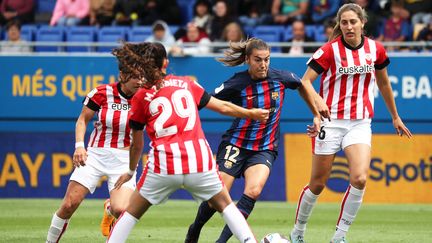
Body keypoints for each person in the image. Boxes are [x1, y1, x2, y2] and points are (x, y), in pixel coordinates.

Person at [106, 42, 270, 243]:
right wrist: (251, 113)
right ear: (166, 63)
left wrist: (131, 171)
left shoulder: (140, 97)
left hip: (163, 165)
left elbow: (136, 144)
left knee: (130, 214)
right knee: (226, 206)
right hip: (198, 160)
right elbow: (224, 107)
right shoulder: (188, 83)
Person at [288, 3, 412, 243]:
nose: (348, 26)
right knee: (317, 184)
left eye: (353, 22)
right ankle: (298, 232)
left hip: (360, 122)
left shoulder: (376, 50)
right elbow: (305, 83)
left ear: (362, 23)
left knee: (360, 178)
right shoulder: (328, 51)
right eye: (344, 22)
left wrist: (395, 116)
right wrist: (316, 111)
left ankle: (339, 236)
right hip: (330, 122)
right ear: (340, 25)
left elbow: (384, 84)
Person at [185, 37, 325, 243]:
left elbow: (301, 85)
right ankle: (194, 229)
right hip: (236, 144)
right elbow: (207, 100)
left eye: (267, 59)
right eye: (258, 60)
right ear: (248, 60)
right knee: (218, 197)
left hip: (264, 148)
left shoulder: (281, 77)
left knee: (254, 190)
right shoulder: (237, 83)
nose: (263, 64)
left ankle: (220, 242)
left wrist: (315, 114)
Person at [45, 42, 148, 242]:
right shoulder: (101, 93)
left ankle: (109, 208)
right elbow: (82, 120)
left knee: (121, 210)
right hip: (95, 155)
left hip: (123, 160)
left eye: (142, 76)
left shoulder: (144, 99)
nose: (140, 81)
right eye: (135, 76)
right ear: (122, 76)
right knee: (68, 204)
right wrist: (79, 146)